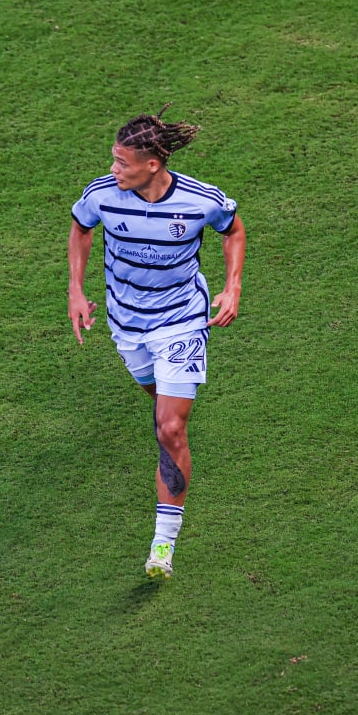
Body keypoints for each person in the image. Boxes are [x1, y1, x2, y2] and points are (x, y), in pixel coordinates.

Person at [67, 105, 247, 579]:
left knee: (168, 428)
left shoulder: (199, 200)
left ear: (152, 164)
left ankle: (162, 545)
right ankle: (170, 407)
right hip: (127, 322)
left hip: (181, 320)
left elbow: (233, 230)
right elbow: (82, 228)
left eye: (121, 162)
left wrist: (232, 286)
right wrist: (75, 290)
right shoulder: (102, 195)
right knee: (157, 401)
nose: (113, 169)